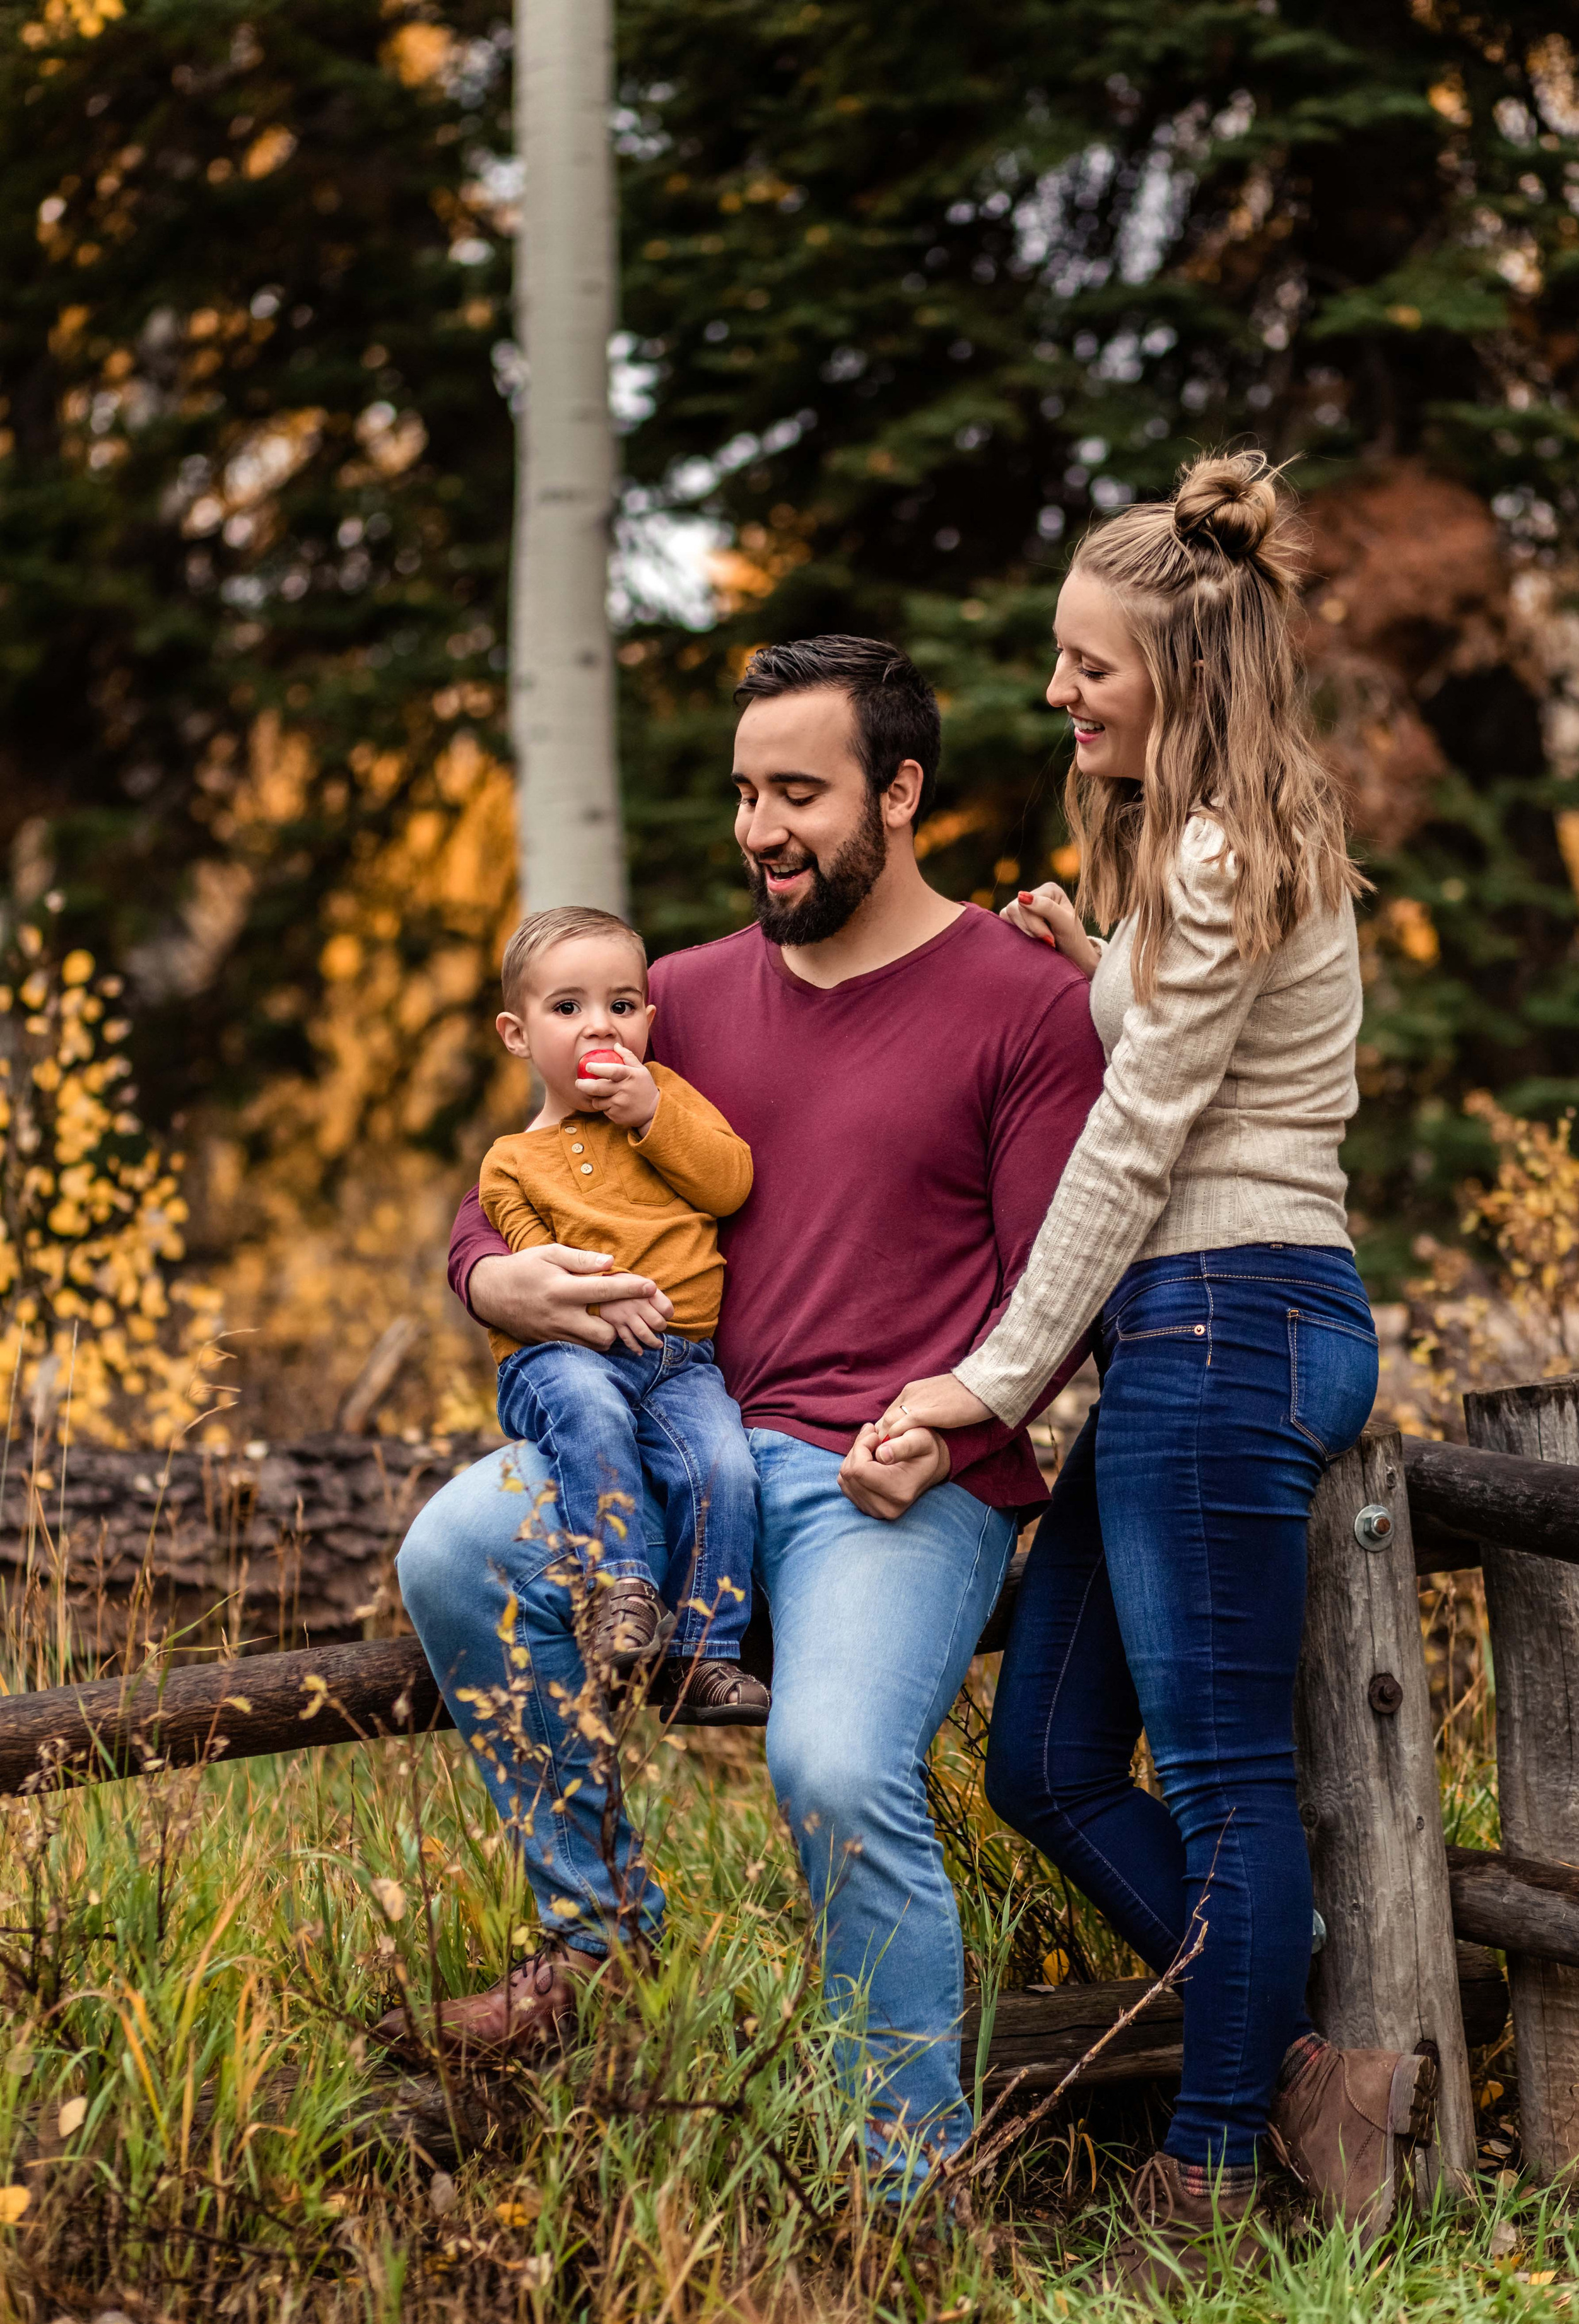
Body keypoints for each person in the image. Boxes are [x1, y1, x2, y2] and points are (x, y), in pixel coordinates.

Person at [386, 636, 1106, 2193]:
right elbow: (517, 1182)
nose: (757, 829)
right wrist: (486, 1283)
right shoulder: (683, 997)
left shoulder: (1025, 1004)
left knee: (836, 1767)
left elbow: (1065, 1276)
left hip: (901, 1481)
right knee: (453, 1550)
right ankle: (598, 1940)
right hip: (673, 1441)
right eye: (741, 793)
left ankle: (902, 2188)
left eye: (798, 792)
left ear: (898, 793)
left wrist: (952, 1418)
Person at [872, 452, 1430, 2285]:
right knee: (1043, 1757)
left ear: (1177, 675)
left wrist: (991, 1379)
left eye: (1087, 665)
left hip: (1223, 1320)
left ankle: (1198, 2197)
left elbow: (1141, 1139)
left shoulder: (1214, 852)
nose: (1058, 695)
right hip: (1219, 1327)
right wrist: (1093, 956)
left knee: (1219, 1785)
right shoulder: (1218, 851)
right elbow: (1189, 1044)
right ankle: (1307, 2069)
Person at [476, 901, 767, 1722]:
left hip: (681, 1358)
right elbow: (537, 1270)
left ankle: (703, 1657)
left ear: (648, 1018)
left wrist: (651, 1115)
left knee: (725, 1465)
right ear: (518, 1035)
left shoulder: (667, 1097)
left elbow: (729, 1182)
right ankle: (621, 1590)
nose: (599, 1025)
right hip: (567, 1356)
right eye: (567, 1009)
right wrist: (600, 1306)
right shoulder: (511, 1162)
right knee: (591, 1408)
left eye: (622, 1005)